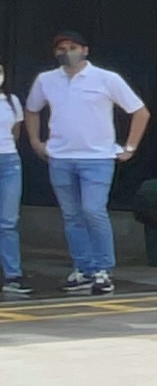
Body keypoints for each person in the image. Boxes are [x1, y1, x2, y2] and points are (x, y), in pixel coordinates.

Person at [25, 28, 148, 296]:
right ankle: (84, 268)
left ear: (85, 50)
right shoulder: (46, 80)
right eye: (61, 48)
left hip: (97, 157)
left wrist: (129, 147)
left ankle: (103, 269)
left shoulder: (105, 79)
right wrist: (36, 141)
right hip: (60, 156)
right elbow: (32, 109)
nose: (67, 52)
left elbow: (139, 111)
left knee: (93, 210)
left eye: (72, 47)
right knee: (71, 215)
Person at [0, 60, 27, 298]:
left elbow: (15, 132)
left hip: (9, 162)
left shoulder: (12, 101)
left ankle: (13, 275)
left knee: (7, 222)